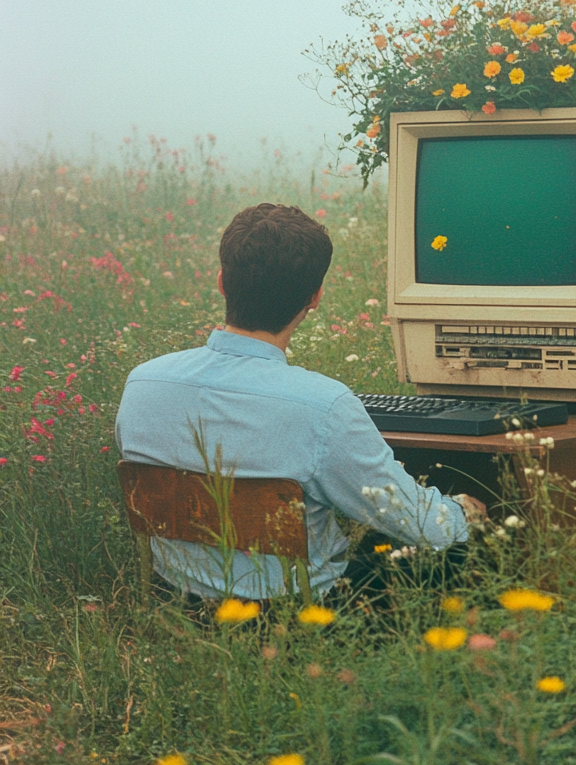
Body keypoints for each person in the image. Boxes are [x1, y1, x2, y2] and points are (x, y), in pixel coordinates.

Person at [115, 202, 485, 601]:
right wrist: (464, 511)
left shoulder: (143, 382)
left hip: (178, 602)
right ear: (315, 297)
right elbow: (425, 527)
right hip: (299, 616)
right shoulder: (324, 407)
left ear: (222, 282)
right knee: (459, 548)